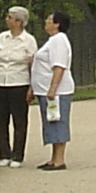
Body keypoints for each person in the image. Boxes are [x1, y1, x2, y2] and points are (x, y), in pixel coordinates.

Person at [0, 5, 38, 167]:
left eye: (10, 17)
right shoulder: (2, 37)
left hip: (19, 82)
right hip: (0, 81)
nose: (7, 20)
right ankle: (4, 153)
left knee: (19, 120)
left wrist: (32, 87)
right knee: (1, 119)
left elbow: (33, 65)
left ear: (19, 22)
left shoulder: (29, 41)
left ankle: (17, 155)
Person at [33, 10, 75, 170]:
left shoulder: (59, 40)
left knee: (58, 121)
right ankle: (53, 157)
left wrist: (53, 88)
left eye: (50, 19)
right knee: (51, 121)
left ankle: (59, 159)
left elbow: (59, 66)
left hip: (57, 91)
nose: (46, 21)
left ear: (57, 24)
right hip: (45, 89)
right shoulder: (52, 40)